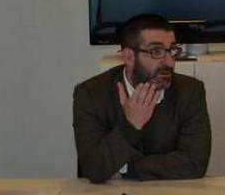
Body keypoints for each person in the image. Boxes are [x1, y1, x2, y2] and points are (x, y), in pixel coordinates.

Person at [73, 14, 211, 183]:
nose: (170, 62)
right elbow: (94, 168)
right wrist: (130, 125)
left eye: (172, 50)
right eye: (156, 51)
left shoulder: (190, 91)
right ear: (129, 57)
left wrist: (127, 169)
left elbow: (194, 163)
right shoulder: (91, 94)